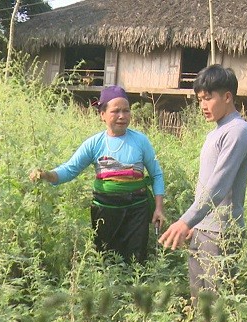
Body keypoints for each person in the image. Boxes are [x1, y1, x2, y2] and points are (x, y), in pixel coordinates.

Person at [30, 85, 166, 264]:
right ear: (102, 114)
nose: (122, 116)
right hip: (104, 211)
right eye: (115, 111)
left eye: (126, 111)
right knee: (106, 261)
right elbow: (70, 169)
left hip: (136, 211)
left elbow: (156, 175)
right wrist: (47, 175)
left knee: (135, 262)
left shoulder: (140, 141)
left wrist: (158, 208)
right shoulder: (94, 143)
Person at [158, 65, 247, 304]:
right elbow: (206, 185)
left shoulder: (237, 132)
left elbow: (219, 185)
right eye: (200, 99)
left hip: (222, 232)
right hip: (205, 229)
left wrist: (185, 221)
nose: (203, 105)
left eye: (208, 98)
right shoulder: (218, 131)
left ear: (227, 97)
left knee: (215, 303)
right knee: (198, 300)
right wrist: (197, 224)